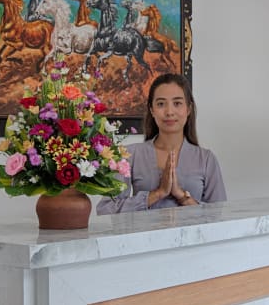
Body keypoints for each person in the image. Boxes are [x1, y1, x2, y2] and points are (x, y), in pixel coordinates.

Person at [97, 73, 227, 214]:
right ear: (152, 110)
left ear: (188, 109)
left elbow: (219, 214)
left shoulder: (206, 159)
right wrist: (157, 194)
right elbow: (105, 210)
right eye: (160, 104)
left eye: (177, 103)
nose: (169, 112)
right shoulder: (129, 155)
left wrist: (182, 196)